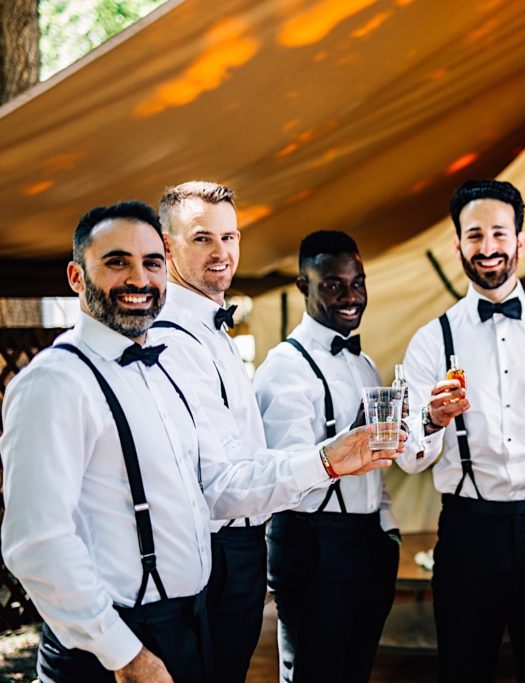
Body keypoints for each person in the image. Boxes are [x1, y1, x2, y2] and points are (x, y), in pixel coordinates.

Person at [0, 201, 398, 683]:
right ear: (76, 277)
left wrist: (327, 462)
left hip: (186, 624)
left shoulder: (161, 370)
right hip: (111, 643)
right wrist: (125, 654)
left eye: (150, 262)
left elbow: (217, 486)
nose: (139, 279)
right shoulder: (54, 381)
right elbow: (35, 542)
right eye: (116, 261)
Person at [399, 179, 525, 682]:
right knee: (463, 670)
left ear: (521, 239)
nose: (488, 248)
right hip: (468, 531)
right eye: (474, 236)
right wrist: (432, 419)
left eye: (499, 232)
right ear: (457, 245)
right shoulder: (431, 341)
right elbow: (409, 457)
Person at [253, 230, 400, 683]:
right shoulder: (284, 367)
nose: (351, 296)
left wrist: (387, 531)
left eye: (358, 282)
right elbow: (286, 477)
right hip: (313, 544)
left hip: (368, 540)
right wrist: (347, 442)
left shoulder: (364, 364)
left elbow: (379, 463)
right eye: (333, 284)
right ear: (304, 287)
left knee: (356, 672)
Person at [147, 181, 266, 683]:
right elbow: (217, 483)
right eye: (202, 239)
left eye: (230, 236)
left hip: (243, 543)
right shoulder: (171, 340)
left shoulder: (211, 330)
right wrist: (327, 462)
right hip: (215, 552)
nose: (222, 252)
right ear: (167, 246)